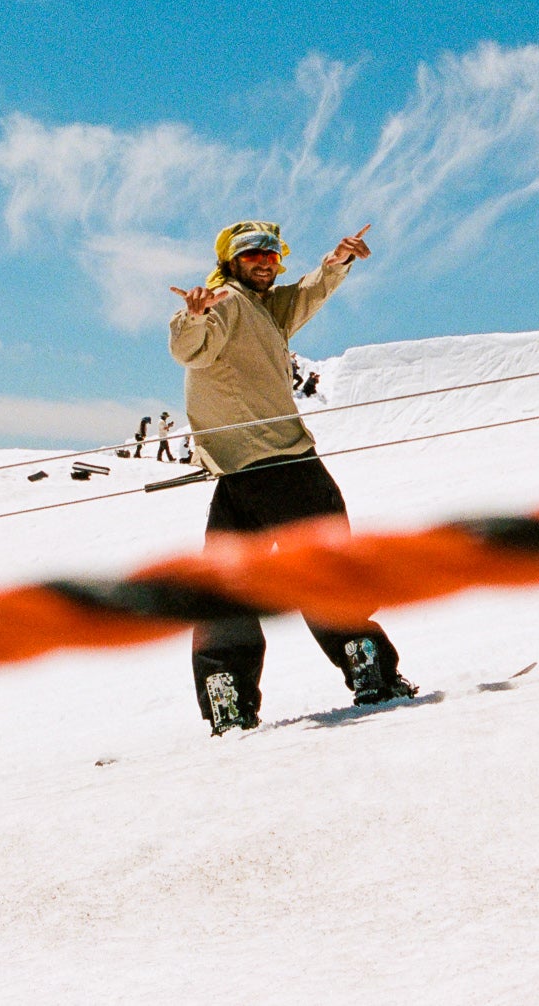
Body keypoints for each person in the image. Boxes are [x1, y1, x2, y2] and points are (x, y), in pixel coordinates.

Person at [168, 219, 412, 736]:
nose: (265, 262)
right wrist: (190, 318)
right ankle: (366, 664)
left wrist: (338, 260)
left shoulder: (265, 307)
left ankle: (227, 691)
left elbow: (306, 293)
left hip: (240, 474)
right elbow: (194, 346)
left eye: (272, 255)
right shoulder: (226, 303)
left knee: (226, 586)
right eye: (252, 254)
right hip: (286, 466)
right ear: (229, 261)